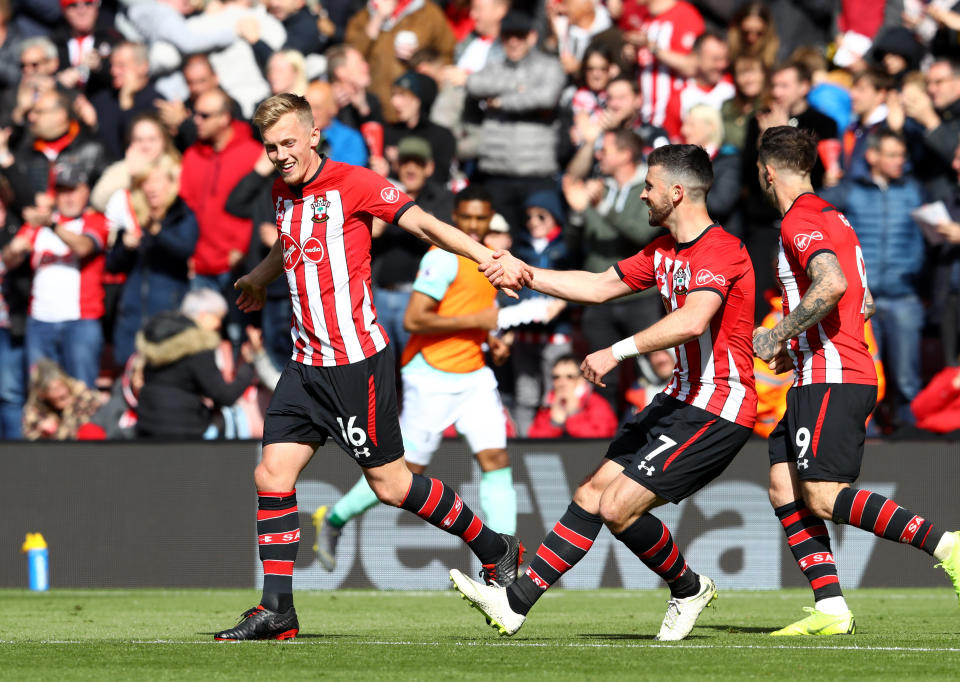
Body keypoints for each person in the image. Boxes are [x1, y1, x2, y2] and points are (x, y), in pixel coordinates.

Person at [214, 93, 529, 641]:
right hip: (305, 364)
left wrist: (485, 256)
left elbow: (426, 226)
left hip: (355, 363)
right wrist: (259, 279)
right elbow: (289, 249)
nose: (281, 155)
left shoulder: (356, 183)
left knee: (390, 485)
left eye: (289, 142)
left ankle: (495, 546)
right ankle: (276, 610)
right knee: (271, 474)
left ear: (314, 136)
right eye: (271, 147)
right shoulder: (280, 192)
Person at [451, 144, 757, 641]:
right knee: (592, 494)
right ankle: (515, 604)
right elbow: (595, 286)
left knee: (618, 506)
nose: (642, 195)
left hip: (719, 404)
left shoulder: (723, 250)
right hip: (681, 398)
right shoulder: (663, 252)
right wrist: (525, 273)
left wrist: (618, 351)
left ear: (676, 193)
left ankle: (689, 588)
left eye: (650, 187)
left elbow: (694, 318)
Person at [751, 125, 960, 637]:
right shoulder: (832, 217)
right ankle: (830, 607)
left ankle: (947, 546)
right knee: (783, 484)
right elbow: (860, 301)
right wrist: (797, 344)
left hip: (833, 374)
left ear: (767, 171)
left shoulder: (800, 220)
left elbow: (833, 284)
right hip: (821, 368)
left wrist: (779, 334)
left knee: (822, 496)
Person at [312, 183, 516, 571]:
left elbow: (465, 311)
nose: (473, 224)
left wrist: (489, 340)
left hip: (473, 373)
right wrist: (481, 322)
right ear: (455, 217)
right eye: (467, 217)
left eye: (481, 217)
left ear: (491, 219)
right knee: (407, 475)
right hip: (431, 375)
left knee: (496, 458)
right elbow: (414, 319)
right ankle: (335, 517)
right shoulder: (441, 258)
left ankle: (506, 558)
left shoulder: (487, 259)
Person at [820, 130, 925, 429]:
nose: (899, 161)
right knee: (864, 375)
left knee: (907, 378)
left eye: (902, 156)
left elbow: (922, 238)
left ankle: (912, 439)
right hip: (860, 301)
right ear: (872, 156)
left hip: (903, 296)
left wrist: (912, 271)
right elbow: (812, 212)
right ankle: (869, 435)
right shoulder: (849, 190)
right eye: (892, 155)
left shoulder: (913, 190)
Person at [4, 163, 107, 390]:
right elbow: (9, 262)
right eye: (62, 191)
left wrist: (52, 224)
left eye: (74, 190)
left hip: (80, 321)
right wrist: (14, 249)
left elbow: (83, 247)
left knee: (82, 392)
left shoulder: (95, 221)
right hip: (40, 321)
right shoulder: (37, 227)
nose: (68, 198)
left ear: (85, 191)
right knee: (40, 393)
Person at [107, 154, 198, 366]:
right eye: (145, 182)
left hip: (168, 311)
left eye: (157, 181)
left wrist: (157, 233)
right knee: (127, 371)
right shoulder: (132, 217)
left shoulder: (182, 214)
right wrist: (125, 247)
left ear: (170, 183)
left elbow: (184, 249)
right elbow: (112, 265)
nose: (151, 188)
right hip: (132, 315)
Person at [135, 295, 254, 440]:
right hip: (183, 428)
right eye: (218, 317)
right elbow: (224, 396)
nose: (219, 325)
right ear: (203, 315)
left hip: (147, 422)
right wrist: (248, 365)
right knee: (233, 419)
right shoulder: (199, 345)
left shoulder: (158, 335)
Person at [527, 354, 618, 438]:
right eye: (556, 377)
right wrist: (554, 423)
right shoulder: (548, 404)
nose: (562, 383)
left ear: (581, 379)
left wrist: (573, 414)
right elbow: (534, 440)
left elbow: (601, 438)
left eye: (569, 377)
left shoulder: (596, 403)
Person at [21, 357, 101, 440]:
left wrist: (55, 431)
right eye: (54, 389)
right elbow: (29, 440)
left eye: (62, 385)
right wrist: (42, 434)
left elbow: (75, 434)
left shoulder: (85, 398)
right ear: (42, 394)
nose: (62, 393)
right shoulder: (35, 410)